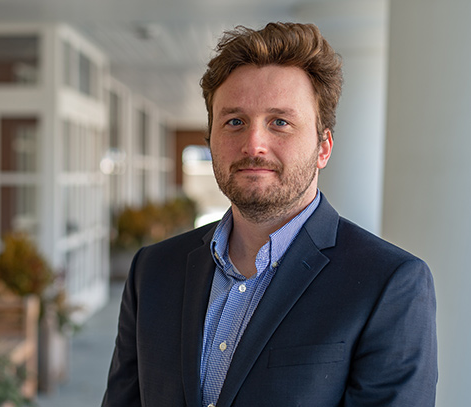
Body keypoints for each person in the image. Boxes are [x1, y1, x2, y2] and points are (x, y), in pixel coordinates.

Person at [102, 22, 437, 407]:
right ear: (211, 139)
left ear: (323, 147)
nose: (253, 144)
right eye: (234, 122)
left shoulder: (389, 284)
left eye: (280, 122)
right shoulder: (153, 270)